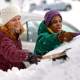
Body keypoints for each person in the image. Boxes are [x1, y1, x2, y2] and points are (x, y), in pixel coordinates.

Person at [0, 5, 42, 71]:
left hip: (14, 70)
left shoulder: (14, 34)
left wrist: (28, 53)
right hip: (7, 74)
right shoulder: (3, 37)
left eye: (19, 19)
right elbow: (11, 53)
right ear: (6, 23)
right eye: (13, 20)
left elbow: (16, 49)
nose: (18, 22)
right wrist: (28, 56)